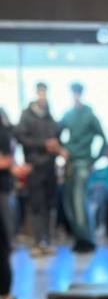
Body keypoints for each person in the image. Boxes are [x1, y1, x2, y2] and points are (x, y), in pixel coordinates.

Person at [58, 82, 105, 253]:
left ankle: (86, 239)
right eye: (73, 92)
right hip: (70, 164)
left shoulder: (89, 115)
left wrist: (93, 160)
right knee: (69, 203)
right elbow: (56, 133)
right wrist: (62, 149)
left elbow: (104, 140)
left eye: (77, 92)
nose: (75, 95)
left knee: (79, 202)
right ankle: (80, 238)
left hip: (83, 163)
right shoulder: (68, 115)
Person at [15, 82, 60, 256]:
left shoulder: (50, 116)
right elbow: (20, 137)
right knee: (36, 205)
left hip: (50, 168)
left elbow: (56, 136)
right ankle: (37, 242)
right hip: (34, 168)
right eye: (40, 92)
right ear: (36, 93)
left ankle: (46, 242)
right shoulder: (26, 115)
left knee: (49, 206)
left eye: (45, 92)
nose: (43, 95)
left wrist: (56, 146)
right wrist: (43, 144)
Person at [0, 109, 28, 299]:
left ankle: (5, 295)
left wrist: (12, 167)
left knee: (4, 244)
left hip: (4, 188)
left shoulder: (6, 131)